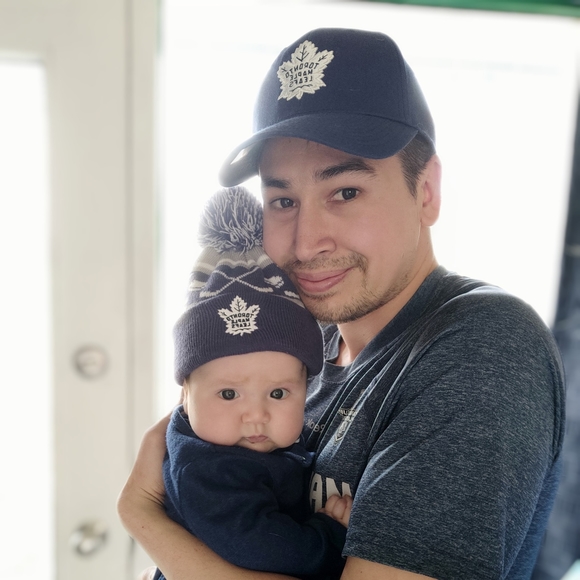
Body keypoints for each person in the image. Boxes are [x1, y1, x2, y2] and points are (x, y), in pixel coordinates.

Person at [118, 27, 566, 580]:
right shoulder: (295, 341)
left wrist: (142, 516)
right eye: (283, 200)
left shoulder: (483, 347)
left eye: (346, 192)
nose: (306, 243)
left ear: (426, 191)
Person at [151, 186, 351, 580]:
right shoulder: (208, 471)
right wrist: (328, 535)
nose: (256, 416)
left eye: (278, 393)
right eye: (228, 394)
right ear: (185, 395)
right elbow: (264, 548)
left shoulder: (232, 445)